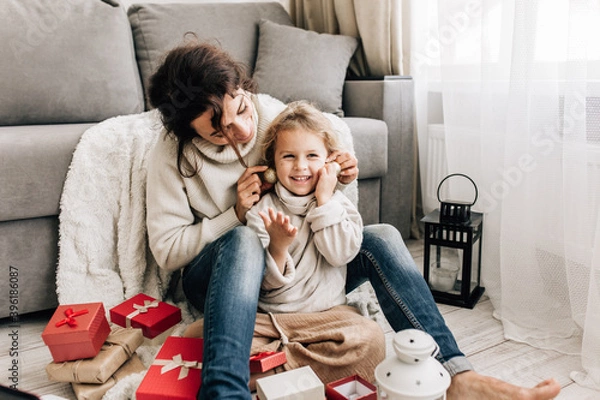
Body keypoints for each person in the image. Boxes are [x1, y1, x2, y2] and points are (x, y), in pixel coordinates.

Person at [145, 40, 561, 400]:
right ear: (190, 132)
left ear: (243, 88)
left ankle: (456, 374)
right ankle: (224, 391)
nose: (240, 130)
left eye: (240, 109)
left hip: (300, 270)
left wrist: (340, 174)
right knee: (240, 240)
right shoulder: (170, 156)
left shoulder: (270, 115)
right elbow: (167, 253)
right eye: (218, 131)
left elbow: (316, 155)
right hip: (221, 275)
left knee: (380, 236)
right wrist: (233, 215)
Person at [245, 100, 362, 314]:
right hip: (278, 315)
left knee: (370, 336)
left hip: (329, 311)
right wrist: (277, 248)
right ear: (273, 164)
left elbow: (341, 255)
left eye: (312, 156)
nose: (300, 166)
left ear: (329, 160)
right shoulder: (262, 211)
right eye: (289, 156)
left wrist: (324, 201)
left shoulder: (338, 204)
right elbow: (263, 283)